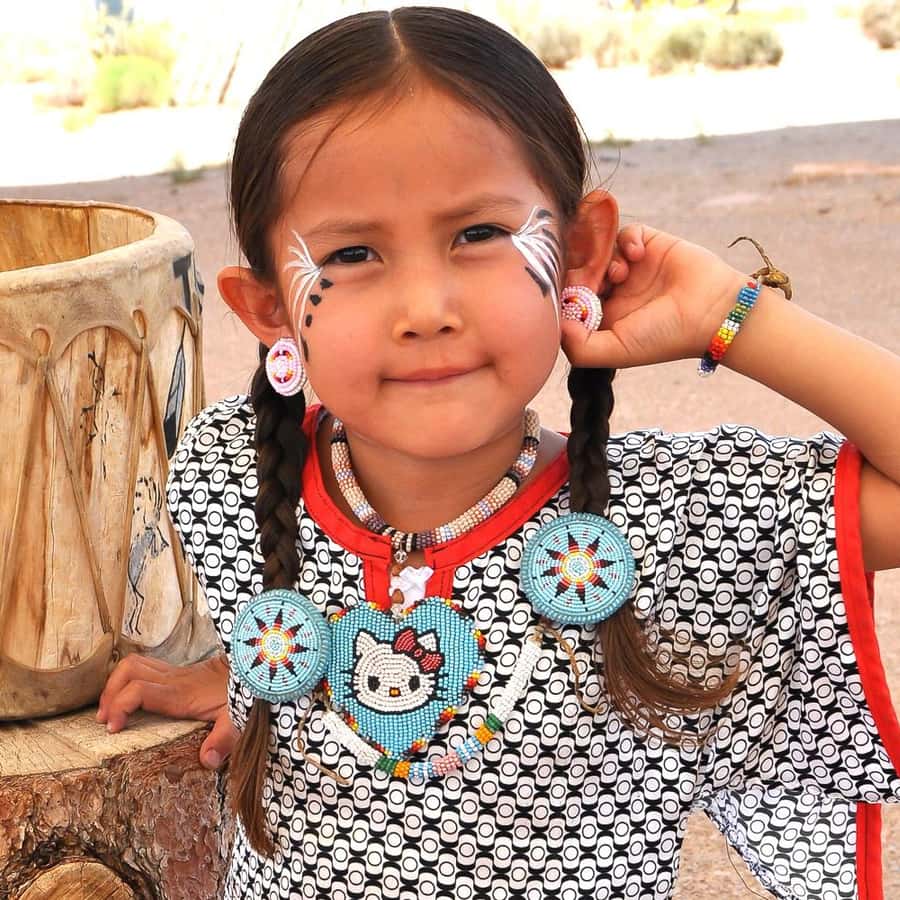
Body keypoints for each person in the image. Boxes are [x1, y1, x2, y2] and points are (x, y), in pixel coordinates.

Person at [96, 7, 900, 899]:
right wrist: (252, 677)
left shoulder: (674, 527)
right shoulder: (232, 477)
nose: (427, 308)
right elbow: (290, 619)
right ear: (269, 310)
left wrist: (731, 314)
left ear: (580, 251)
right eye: (353, 253)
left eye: (478, 234)